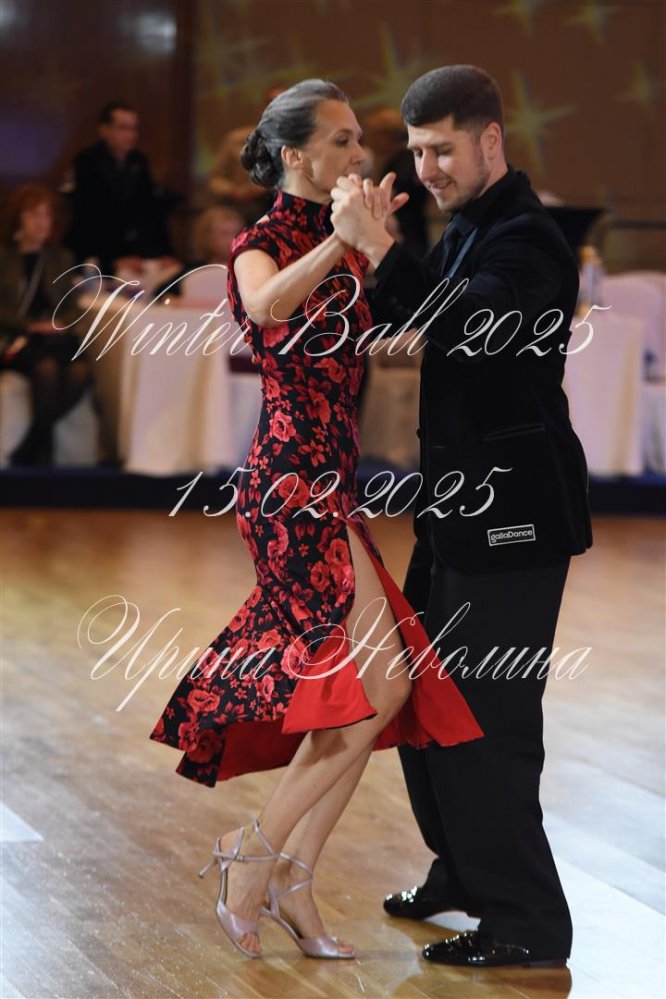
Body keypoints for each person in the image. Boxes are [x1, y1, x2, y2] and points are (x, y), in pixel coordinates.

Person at [149, 79, 482, 961]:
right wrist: (342, 242)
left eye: (356, 139)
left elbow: (396, 326)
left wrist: (377, 249)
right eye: (340, 141)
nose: (357, 153)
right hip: (288, 489)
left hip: (334, 484)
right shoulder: (259, 243)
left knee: (386, 690)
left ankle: (292, 874)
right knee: (370, 690)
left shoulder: (350, 242)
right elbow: (266, 307)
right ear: (295, 155)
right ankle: (251, 853)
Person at [330, 65, 592, 969]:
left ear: (490, 140)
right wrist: (373, 255)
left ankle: (527, 921)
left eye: (443, 149)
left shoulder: (529, 240)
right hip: (459, 513)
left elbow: (470, 330)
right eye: (416, 151)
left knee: (488, 719)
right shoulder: (469, 227)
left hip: (515, 519)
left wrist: (383, 250)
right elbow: (413, 316)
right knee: (421, 700)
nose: (429, 167)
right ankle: (464, 868)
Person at [0, 184, 92, 465]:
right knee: (47, 370)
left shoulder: (60, 258)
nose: (41, 222)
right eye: (34, 214)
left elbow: (74, 306)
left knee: (80, 372)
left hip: (55, 338)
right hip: (17, 339)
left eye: (46, 215)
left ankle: (35, 439)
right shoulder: (5, 257)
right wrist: (30, 325)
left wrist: (61, 323)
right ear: (19, 218)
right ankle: (42, 448)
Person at [66, 102, 178, 275]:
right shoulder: (87, 161)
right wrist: (110, 260)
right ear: (104, 130)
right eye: (123, 128)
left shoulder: (138, 161)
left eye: (134, 129)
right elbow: (89, 217)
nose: (130, 135)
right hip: (98, 252)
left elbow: (149, 210)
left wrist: (164, 253)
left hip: (134, 251)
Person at [363, 108, 429, 256]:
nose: (370, 141)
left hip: (406, 236)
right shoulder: (400, 159)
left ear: (385, 136)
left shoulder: (403, 163)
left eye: (372, 136)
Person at [153, 206, 244, 299]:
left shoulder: (247, 269)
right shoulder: (194, 271)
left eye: (237, 233)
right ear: (208, 239)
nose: (233, 239)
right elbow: (159, 295)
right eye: (225, 234)